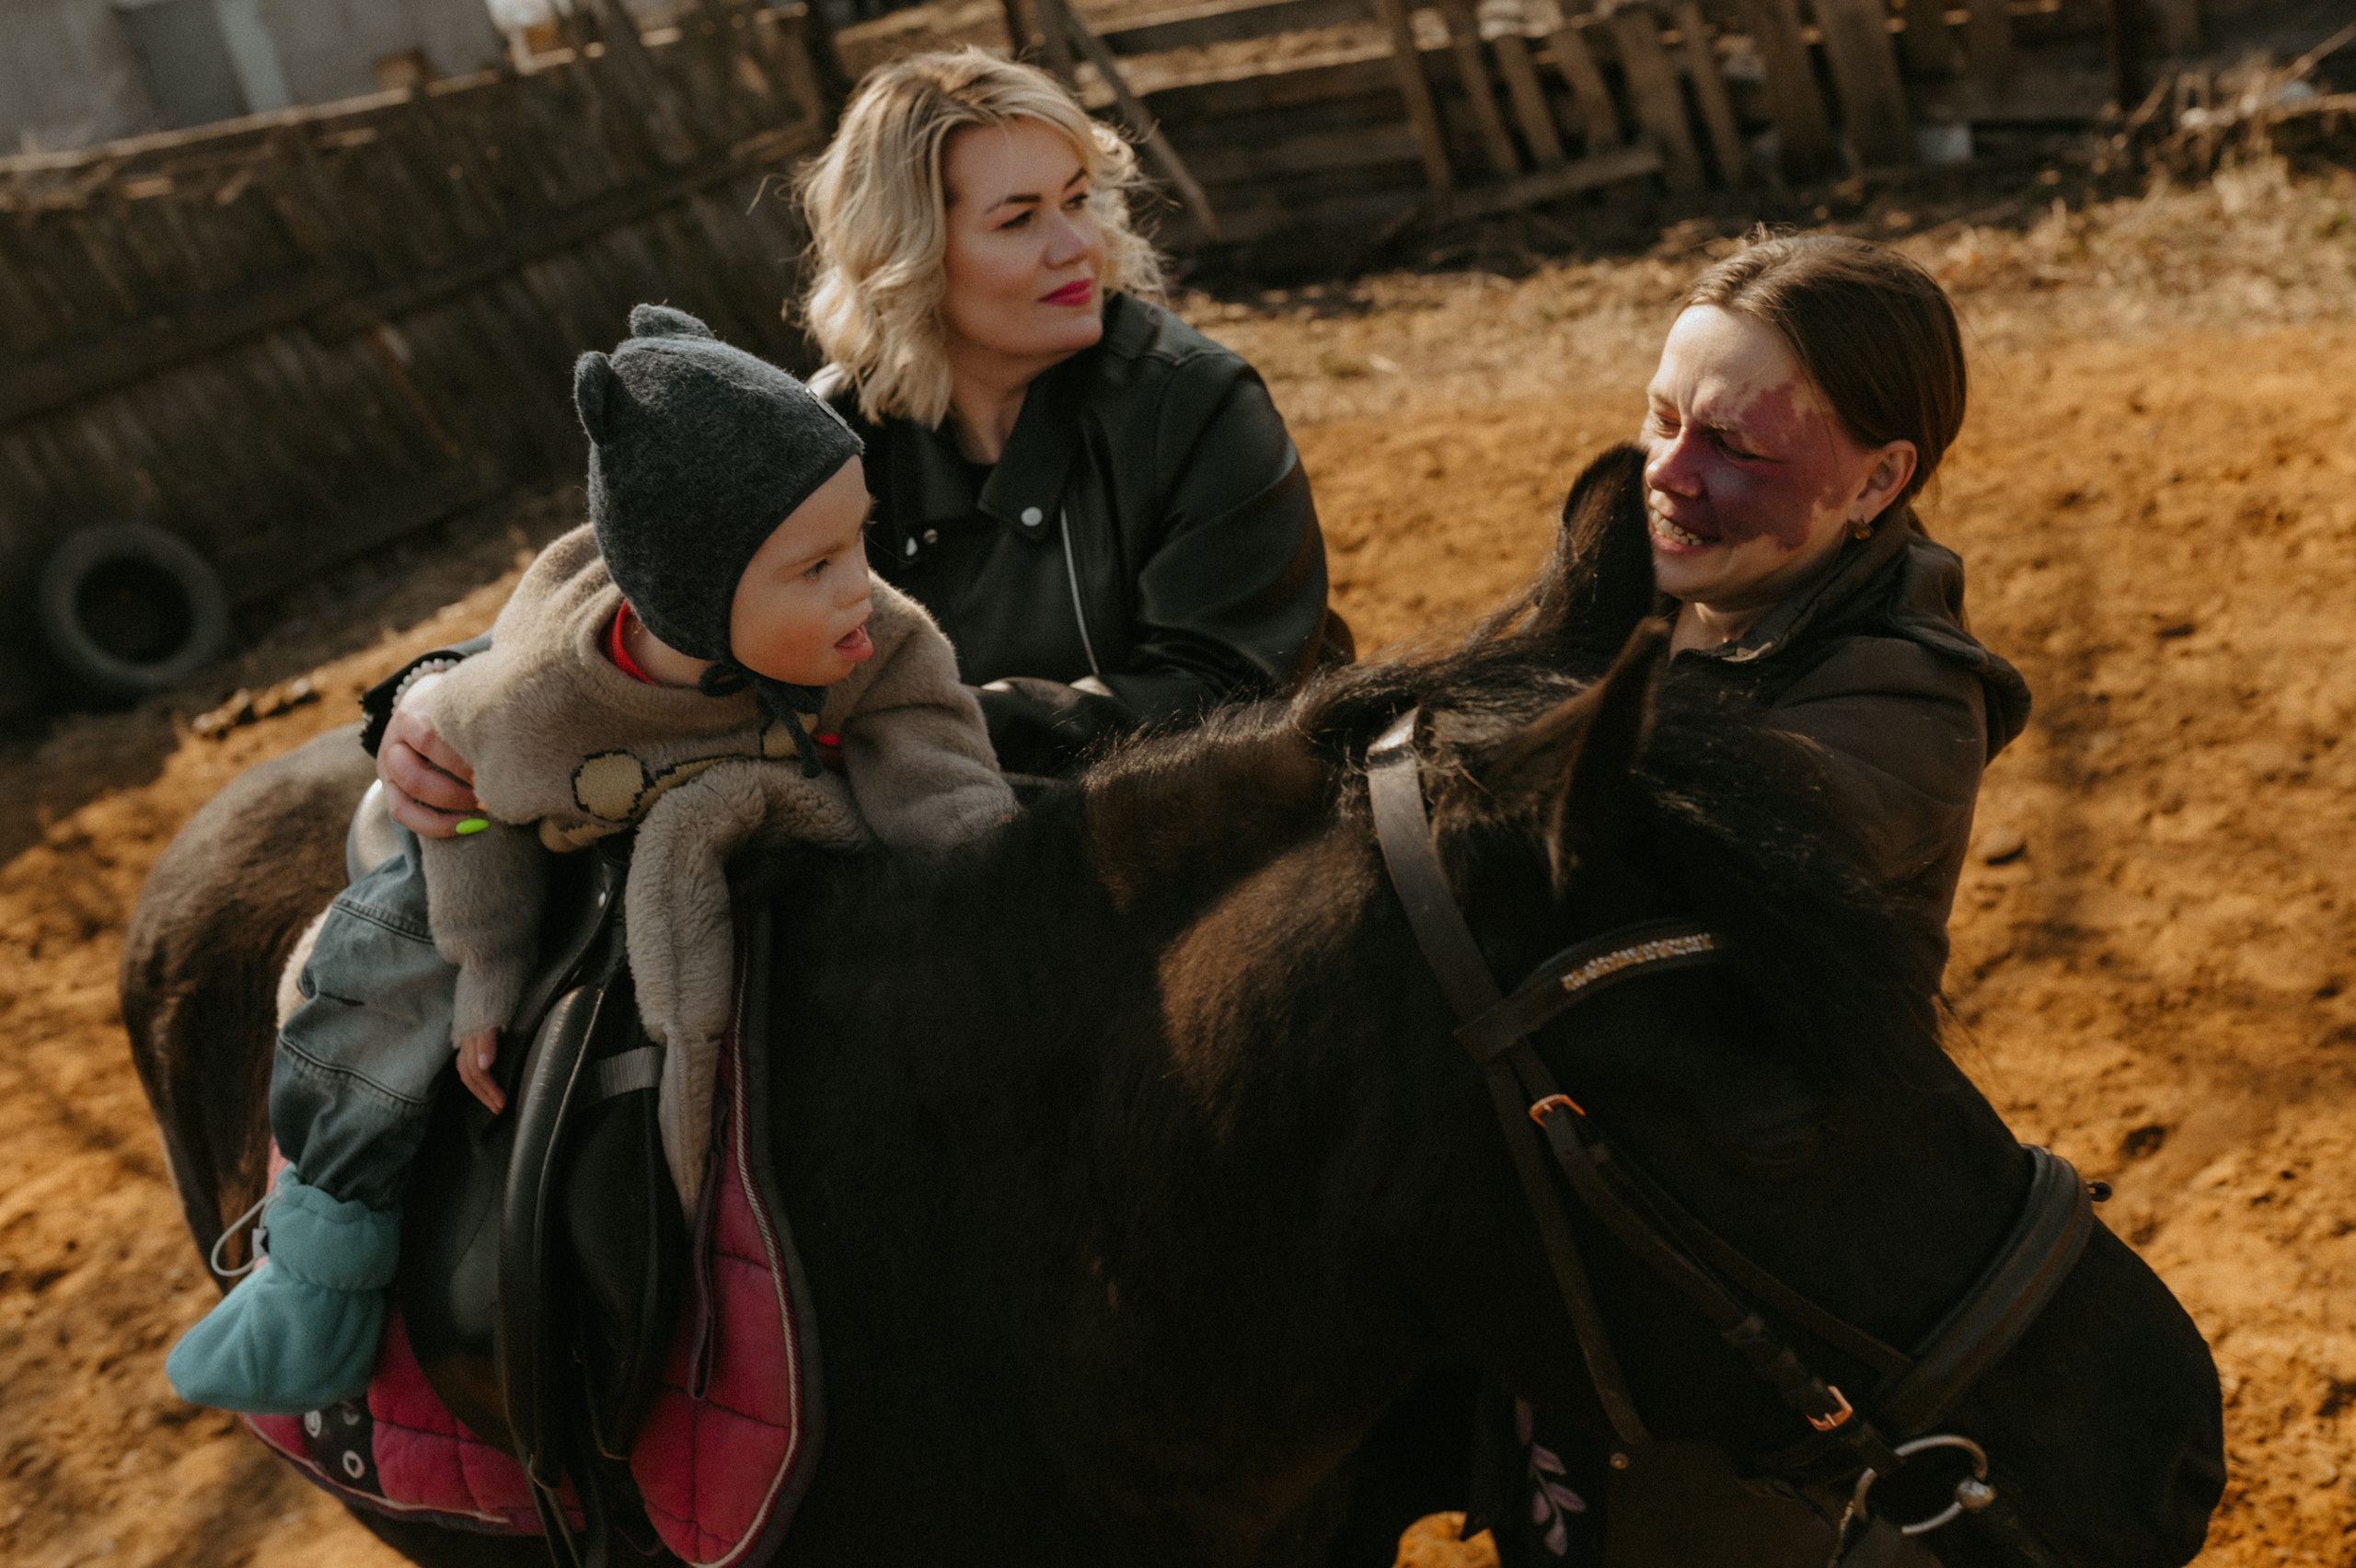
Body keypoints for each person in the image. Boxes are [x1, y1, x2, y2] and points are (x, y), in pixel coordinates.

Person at [165, 306, 1012, 1416]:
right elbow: (468, 817)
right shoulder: (528, 711)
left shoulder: (873, 631)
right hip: (521, 831)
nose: (861, 585)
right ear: (697, 600)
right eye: (814, 566)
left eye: (861, 537)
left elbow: (924, 729)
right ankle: (320, 1267)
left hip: (747, 805)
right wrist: (483, 963)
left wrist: (982, 865)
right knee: (377, 983)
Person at [1405, 232, 2030, 1568]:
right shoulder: (1640, 574)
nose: (1672, 477)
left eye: (1740, 448)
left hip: (1752, 1257)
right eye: (1661, 418)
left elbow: (1616, 873)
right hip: (1591, 1197)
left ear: (1879, 480)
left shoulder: (1911, 702)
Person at [371, 47, 1345, 828]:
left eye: (1077, 200)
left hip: (1213, 853)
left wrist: (890, 729)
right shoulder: (829, 422)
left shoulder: (1200, 403)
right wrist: (438, 688)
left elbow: (1225, 693)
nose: (1075, 246)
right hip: (947, 854)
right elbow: (655, 573)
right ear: (908, 255)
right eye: (1019, 219)